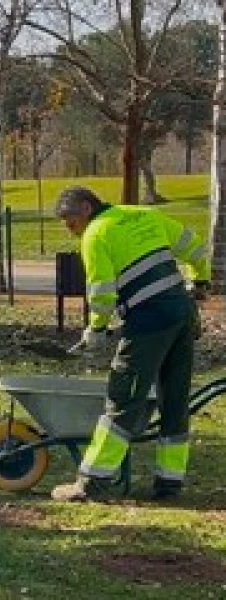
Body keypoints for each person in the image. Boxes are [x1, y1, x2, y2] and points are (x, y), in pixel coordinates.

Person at [50, 185, 211, 503]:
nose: (72, 233)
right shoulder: (144, 214)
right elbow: (195, 248)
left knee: (124, 396)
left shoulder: (95, 235)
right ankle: (169, 484)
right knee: (174, 400)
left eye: (71, 224)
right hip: (182, 314)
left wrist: (96, 330)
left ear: (86, 208)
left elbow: (102, 292)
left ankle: (94, 482)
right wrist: (200, 281)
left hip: (149, 322)